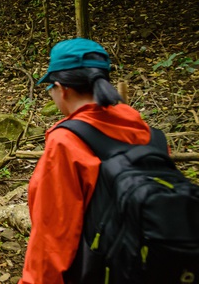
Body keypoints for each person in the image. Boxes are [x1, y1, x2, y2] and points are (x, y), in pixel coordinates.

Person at [18, 38, 153, 284]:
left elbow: (51, 242)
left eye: (50, 88)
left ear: (62, 88)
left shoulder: (66, 142)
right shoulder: (144, 129)